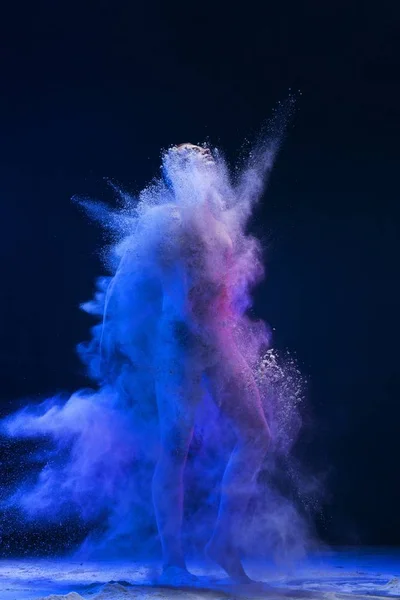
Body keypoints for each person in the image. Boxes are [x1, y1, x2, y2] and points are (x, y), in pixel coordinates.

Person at [111, 143, 270, 583]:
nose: (201, 171)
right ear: (174, 175)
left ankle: (223, 542)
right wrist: (110, 336)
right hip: (177, 344)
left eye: (204, 164)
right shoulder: (165, 222)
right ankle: (172, 561)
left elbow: (222, 287)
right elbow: (125, 279)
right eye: (189, 166)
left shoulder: (217, 224)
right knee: (175, 445)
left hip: (216, 342)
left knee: (258, 433)